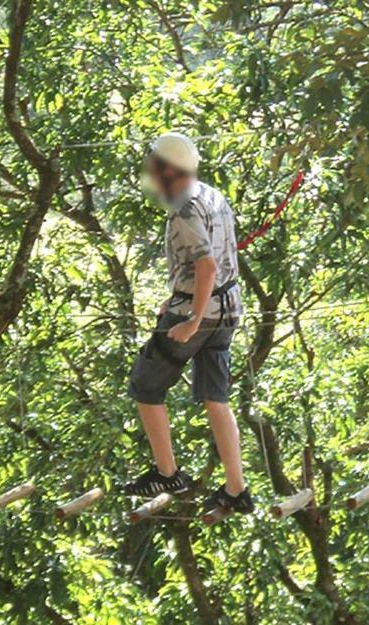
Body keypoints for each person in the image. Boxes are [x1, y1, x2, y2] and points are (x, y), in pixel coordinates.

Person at [124, 132, 253, 514]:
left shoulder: (184, 208)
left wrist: (192, 318)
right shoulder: (213, 195)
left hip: (202, 312)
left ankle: (167, 471)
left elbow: (207, 265)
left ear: (168, 169)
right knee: (216, 397)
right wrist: (180, 297)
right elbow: (217, 262)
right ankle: (236, 488)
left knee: (145, 385)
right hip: (228, 310)